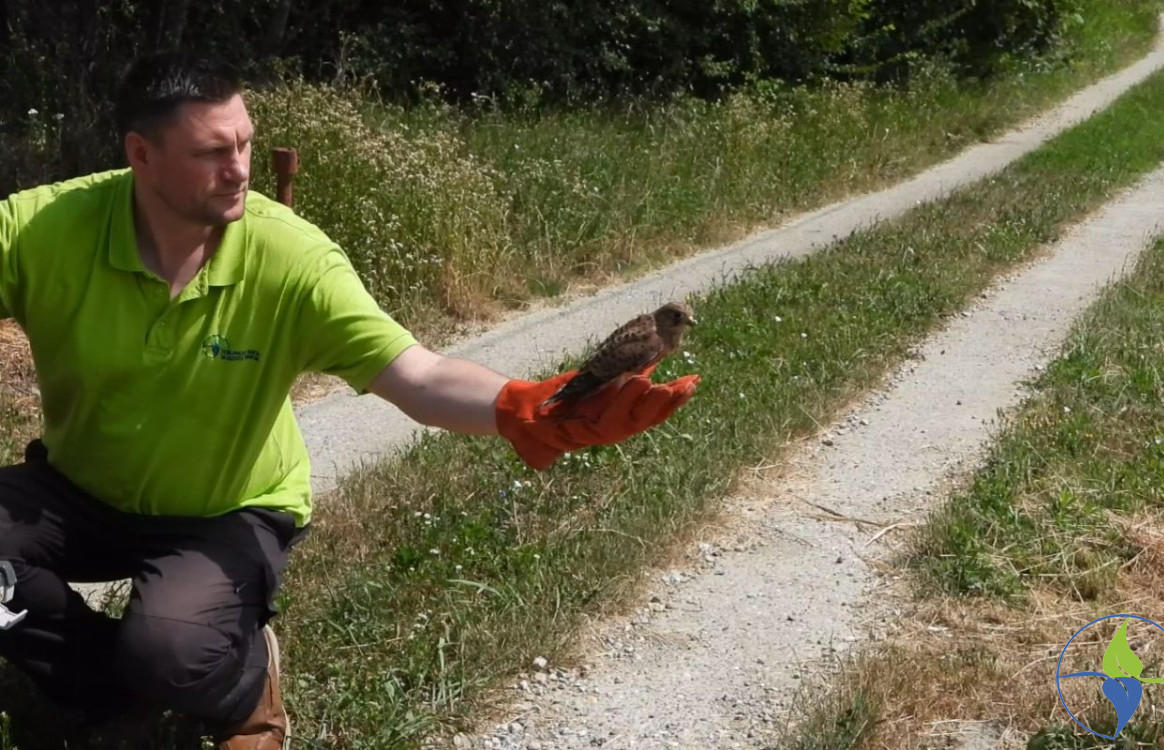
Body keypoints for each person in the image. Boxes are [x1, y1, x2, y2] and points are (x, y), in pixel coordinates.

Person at [0, 52, 698, 749]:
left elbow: (417, 376)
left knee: (170, 651)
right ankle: (110, 691)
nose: (239, 169)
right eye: (212, 152)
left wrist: (525, 408)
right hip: (79, 490)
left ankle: (242, 686)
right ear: (141, 155)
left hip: (225, 510)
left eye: (245, 143)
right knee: (129, 660)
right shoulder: (44, 229)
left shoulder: (291, 258)